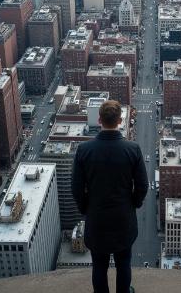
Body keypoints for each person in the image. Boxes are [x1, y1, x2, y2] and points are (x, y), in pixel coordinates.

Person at [72, 100, 148, 293]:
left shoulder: (84, 150)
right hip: (124, 218)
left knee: (99, 265)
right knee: (124, 263)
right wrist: (133, 203)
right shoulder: (132, 149)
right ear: (120, 121)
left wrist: (86, 208)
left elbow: (76, 188)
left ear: (99, 120)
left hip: (97, 219)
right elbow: (142, 186)